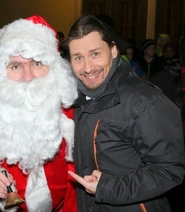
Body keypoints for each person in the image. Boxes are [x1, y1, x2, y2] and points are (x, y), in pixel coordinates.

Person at [64, 15, 185, 211]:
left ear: (113, 51)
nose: (87, 68)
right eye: (78, 58)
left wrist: (108, 188)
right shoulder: (74, 100)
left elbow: (170, 169)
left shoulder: (144, 100)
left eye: (95, 54)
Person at [0, 15, 78, 212]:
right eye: (16, 66)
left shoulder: (72, 112)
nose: (27, 77)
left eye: (37, 64)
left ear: (53, 68)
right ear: (2, 72)